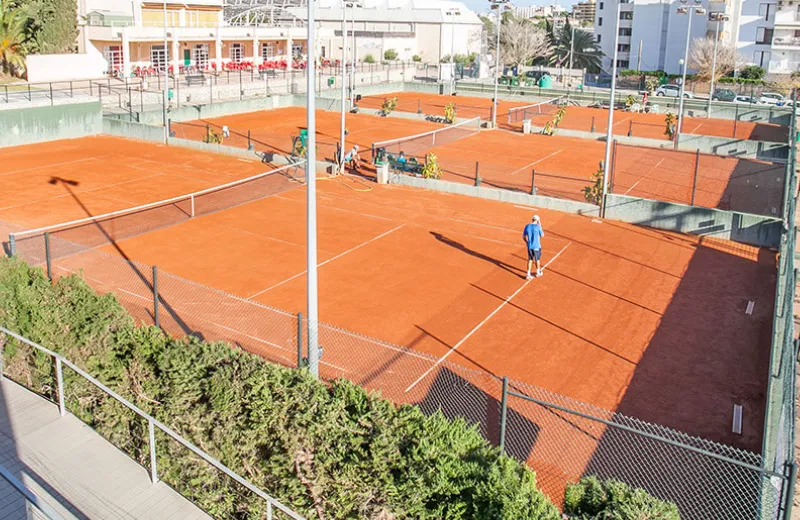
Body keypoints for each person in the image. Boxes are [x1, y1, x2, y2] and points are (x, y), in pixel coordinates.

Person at [522, 215, 545, 280]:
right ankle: (538, 272)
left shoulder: (527, 226)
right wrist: (540, 225)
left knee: (530, 259)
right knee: (537, 259)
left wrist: (527, 242)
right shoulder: (538, 227)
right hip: (537, 246)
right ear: (537, 220)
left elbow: (523, 236)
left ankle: (528, 274)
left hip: (530, 246)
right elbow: (542, 235)